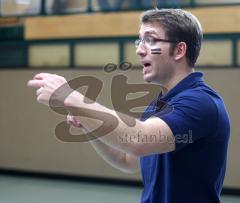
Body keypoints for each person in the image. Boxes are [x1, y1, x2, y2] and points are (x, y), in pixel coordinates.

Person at [27, 8, 230, 203]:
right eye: (139, 41)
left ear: (179, 50)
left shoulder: (201, 102)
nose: (140, 50)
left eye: (150, 40)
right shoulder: (157, 106)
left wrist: (69, 96)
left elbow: (137, 139)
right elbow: (127, 159)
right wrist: (88, 124)